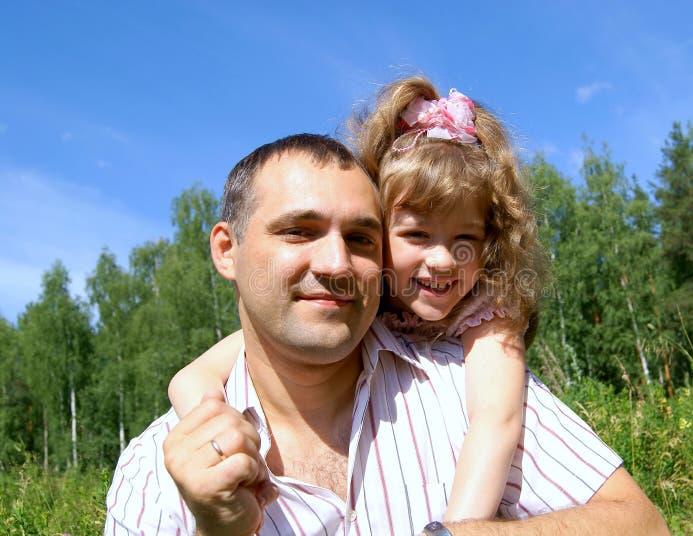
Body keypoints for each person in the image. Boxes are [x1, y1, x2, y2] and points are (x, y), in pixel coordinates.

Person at [106, 132, 668, 534]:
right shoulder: (155, 469)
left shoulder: (465, 383)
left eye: (359, 238)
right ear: (227, 250)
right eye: (299, 231)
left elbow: (642, 523)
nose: (335, 263)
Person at [169, 77, 542, 523]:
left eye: (467, 238)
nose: (443, 260)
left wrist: (452, 531)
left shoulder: (487, 318)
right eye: (417, 235)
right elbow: (201, 371)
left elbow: (494, 423)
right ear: (382, 237)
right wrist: (209, 425)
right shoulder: (363, 292)